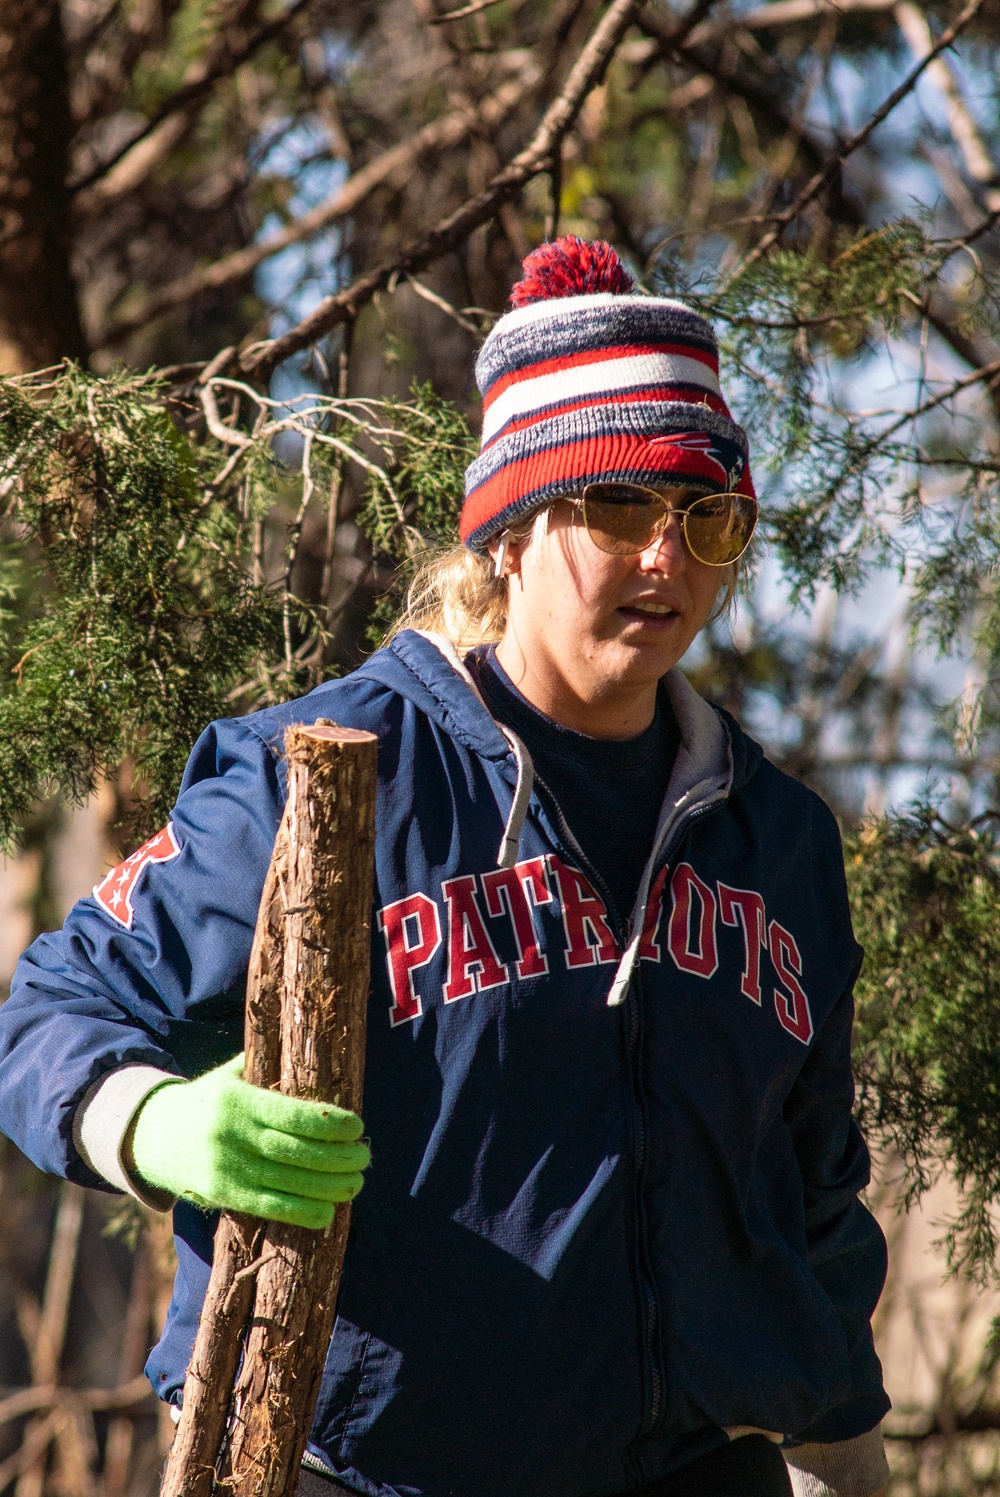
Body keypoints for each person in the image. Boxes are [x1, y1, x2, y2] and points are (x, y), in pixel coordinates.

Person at [0, 238, 890, 1497]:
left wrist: (842, 1464)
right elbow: (46, 1012)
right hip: (354, 1471)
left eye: (709, 517)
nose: (666, 559)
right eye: (621, 507)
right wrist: (154, 1119)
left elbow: (815, 1195)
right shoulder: (319, 773)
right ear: (513, 533)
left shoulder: (775, 838)